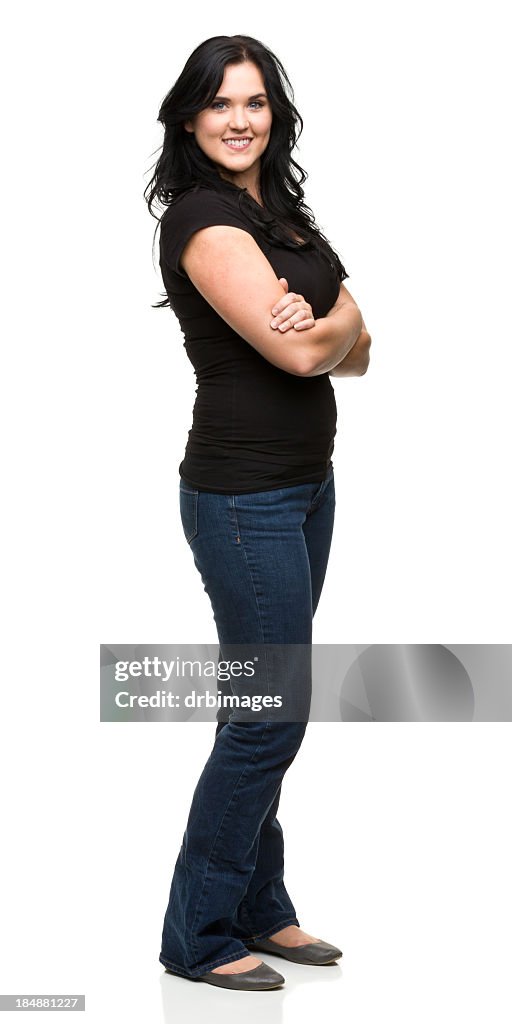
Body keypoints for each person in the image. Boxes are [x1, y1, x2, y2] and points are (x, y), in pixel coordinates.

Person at [145, 34, 371, 992]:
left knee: (262, 703)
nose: (240, 119)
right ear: (191, 117)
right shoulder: (204, 220)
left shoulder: (277, 211)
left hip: (306, 485)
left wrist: (331, 327)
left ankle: (261, 909)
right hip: (244, 500)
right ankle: (198, 935)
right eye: (220, 103)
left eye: (256, 102)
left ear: (273, 114)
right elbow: (305, 355)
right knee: (268, 716)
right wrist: (328, 332)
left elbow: (361, 344)